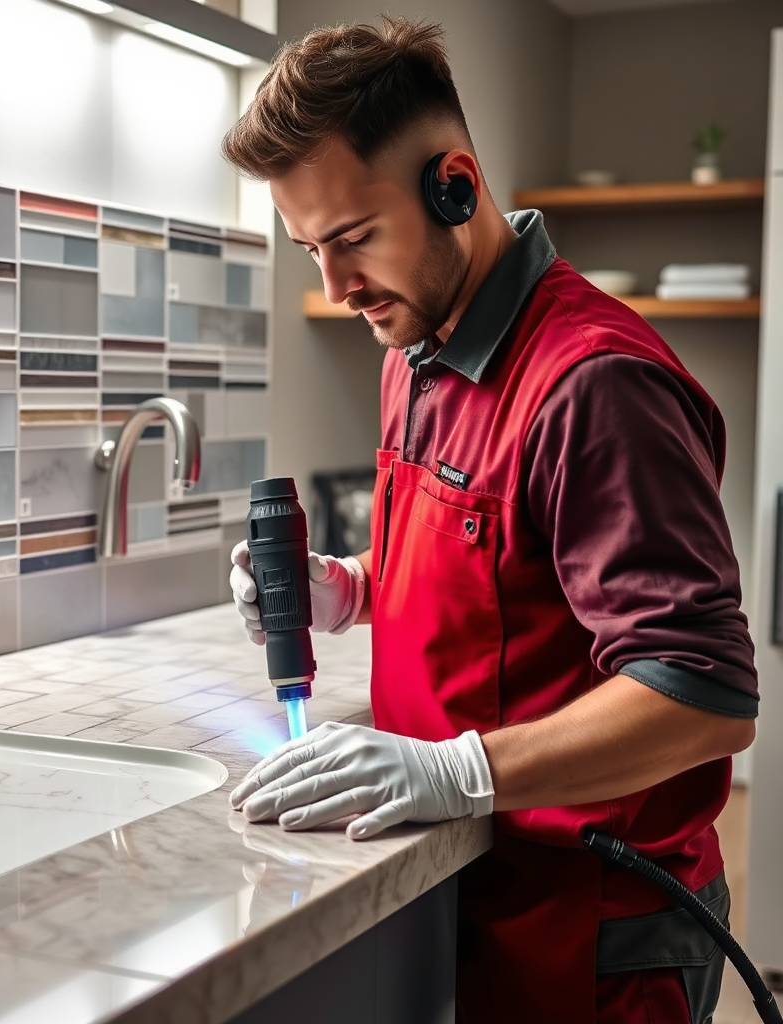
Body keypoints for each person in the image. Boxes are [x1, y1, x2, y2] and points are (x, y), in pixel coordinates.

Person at [220, 17, 759, 1024]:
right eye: (308, 249)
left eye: (349, 241)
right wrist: (351, 586)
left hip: (597, 938)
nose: (334, 289)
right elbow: (493, 563)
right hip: (471, 899)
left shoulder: (595, 385)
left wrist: (456, 768)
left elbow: (703, 695)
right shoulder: (415, 350)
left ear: (453, 185)